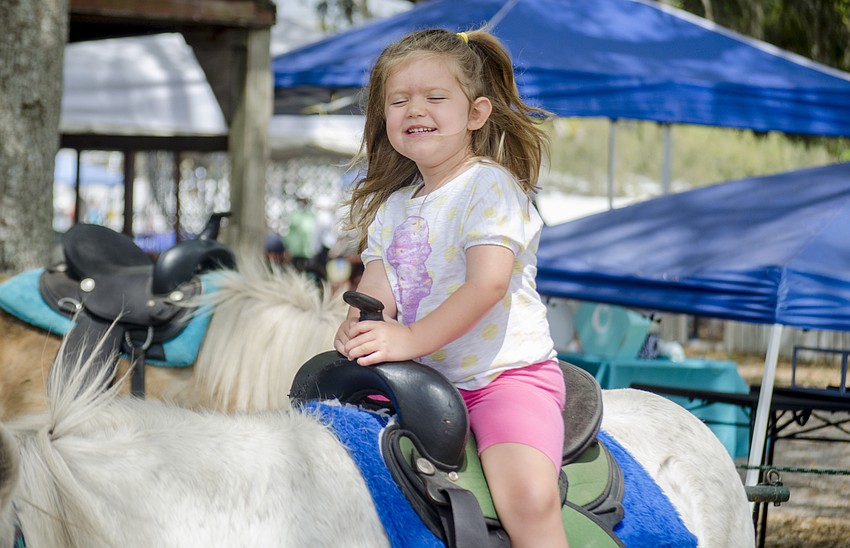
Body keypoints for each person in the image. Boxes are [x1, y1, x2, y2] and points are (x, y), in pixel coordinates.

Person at [333, 28, 568, 547]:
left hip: (501, 378)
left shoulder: (489, 187)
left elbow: (487, 286)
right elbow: (377, 289)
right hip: (423, 379)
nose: (416, 109)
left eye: (436, 97)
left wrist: (410, 339)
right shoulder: (396, 206)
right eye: (399, 100)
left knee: (528, 498)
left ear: (476, 114)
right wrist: (359, 328)